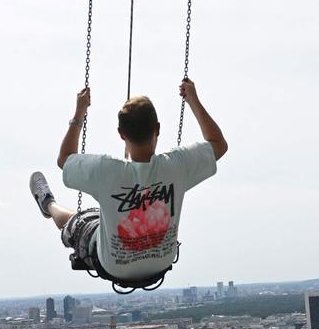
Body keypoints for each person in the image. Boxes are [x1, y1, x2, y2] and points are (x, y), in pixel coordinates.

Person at [29, 78, 227, 287]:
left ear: (121, 134)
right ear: (157, 129)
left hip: (113, 265)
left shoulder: (105, 170)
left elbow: (64, 159)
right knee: (101, 216)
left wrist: (79, 113)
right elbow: (218, 144)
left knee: (79, 221)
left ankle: (48, 204)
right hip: (160, 261)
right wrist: (193, 99)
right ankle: (53, 206)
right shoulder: (177, 165)